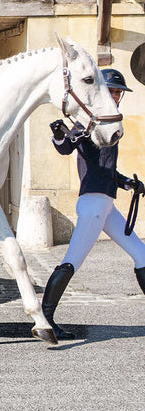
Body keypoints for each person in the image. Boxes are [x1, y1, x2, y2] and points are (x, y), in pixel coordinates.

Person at [44, 67, 145, 339]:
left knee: (142, 255)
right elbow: (66, 147)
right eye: (111, 90)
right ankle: (45, 320)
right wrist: (59, 135)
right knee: (72, 261)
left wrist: (128, 183)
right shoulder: (87, 123)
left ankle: (45, 319)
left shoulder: (107, 123)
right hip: (93, 204)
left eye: (118, 92)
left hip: (106, 204)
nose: (115, 95)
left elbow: (106, 169)